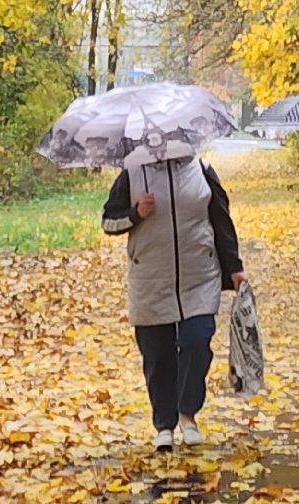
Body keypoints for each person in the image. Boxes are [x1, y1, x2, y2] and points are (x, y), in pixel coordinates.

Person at [102, 148, 247, 450]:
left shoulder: (201, 169)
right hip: (151, 279)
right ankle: (164, 424)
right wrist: (134, 214)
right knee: (157, 354)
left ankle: (188, 414)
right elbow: (108, 222)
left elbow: (221, 220)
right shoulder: (132, 173)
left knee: (197, 340)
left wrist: (234, 268)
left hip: (199, 276)